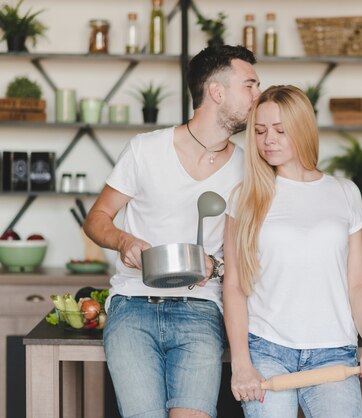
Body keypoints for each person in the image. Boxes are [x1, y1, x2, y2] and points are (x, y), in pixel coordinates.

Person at [83, 44, 260, 418]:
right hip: (132, 306)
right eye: (250, 85)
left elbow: (250, 253)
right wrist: (123, 240)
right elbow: (97, 218)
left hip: (201, 310)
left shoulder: (249, 169)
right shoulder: (146, 150)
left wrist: (218, 266)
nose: (258, 96)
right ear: (216, 91)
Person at [223, 85, 362, 418]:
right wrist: (241, 364)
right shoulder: (244, 197)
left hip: (333, 352)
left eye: (280, 130)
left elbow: (357, 282)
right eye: (259, 131)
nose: (268, 139)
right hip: (267, 350)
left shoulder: (344, 193)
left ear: (302, 128)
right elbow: (235, 285)